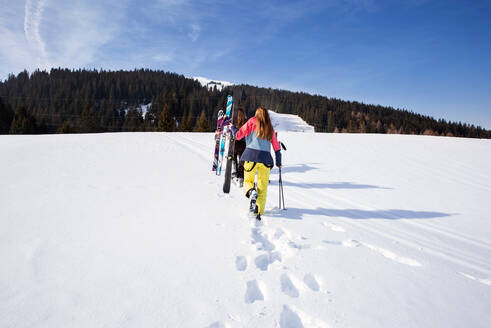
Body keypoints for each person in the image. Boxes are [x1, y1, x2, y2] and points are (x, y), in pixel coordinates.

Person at [232, 107, 282, 220]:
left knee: (248, 181)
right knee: (262, 186)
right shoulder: (270, 127)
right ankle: (258, 211)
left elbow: (238, 135)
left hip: (251, 157)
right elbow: (276, 147)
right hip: (265, 160)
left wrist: (233, 129)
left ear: (256, 114)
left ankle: (251, 192)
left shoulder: (251, 121)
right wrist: (279, 162)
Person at [233, 108, 247, 186]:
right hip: (243, 144)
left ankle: (235, 172)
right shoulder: (246, 123)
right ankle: (241, 176)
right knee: (242, 161)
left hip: (236, 143)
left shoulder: (234, 123)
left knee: (234, 157)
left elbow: (235, 134)